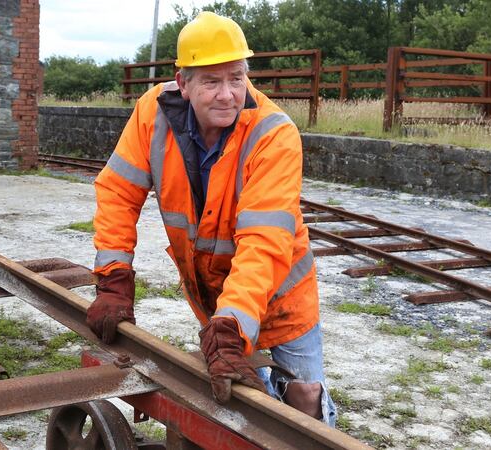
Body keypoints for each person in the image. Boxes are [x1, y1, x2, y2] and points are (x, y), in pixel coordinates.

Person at [86, 11, 336, 427]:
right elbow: (118, 191)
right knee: (241, 398)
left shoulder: (273, 135)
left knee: (305, 398)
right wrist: (113, 278)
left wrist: (232, 325)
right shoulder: (153, 114)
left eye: (236, 79)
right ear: (182, 84)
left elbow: (265, 240)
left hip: (281, 295)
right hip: (210, 291)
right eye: (212, 81)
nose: (227, 95)